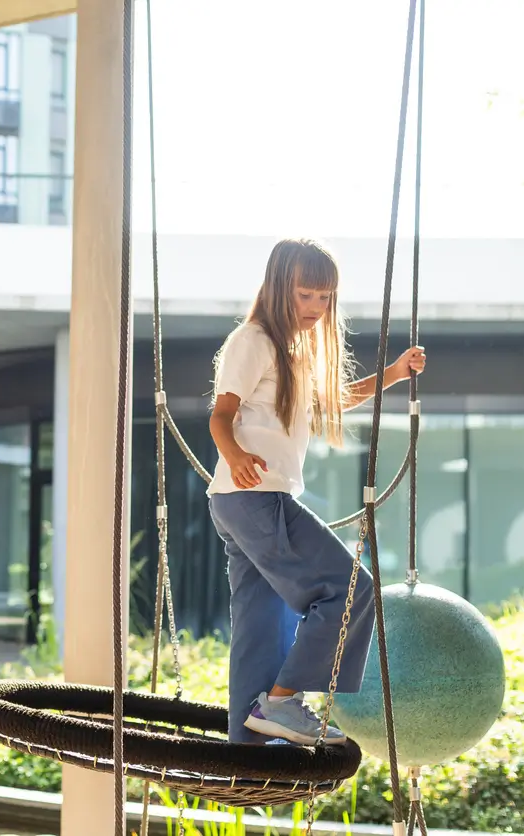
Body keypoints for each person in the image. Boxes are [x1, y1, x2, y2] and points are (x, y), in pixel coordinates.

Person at [207, 238, 425, 746]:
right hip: (254, 497)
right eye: (306, 295)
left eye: (325, 298)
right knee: (350, 591)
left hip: (250, 501)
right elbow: (220, 415)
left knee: (259, 627)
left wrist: (392, 374)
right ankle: (280, 701)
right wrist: (236, 456)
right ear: (281, 288)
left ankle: (250, 752)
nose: (316, 309)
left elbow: (333, 402)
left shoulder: (292, 351)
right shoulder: (253, 340)